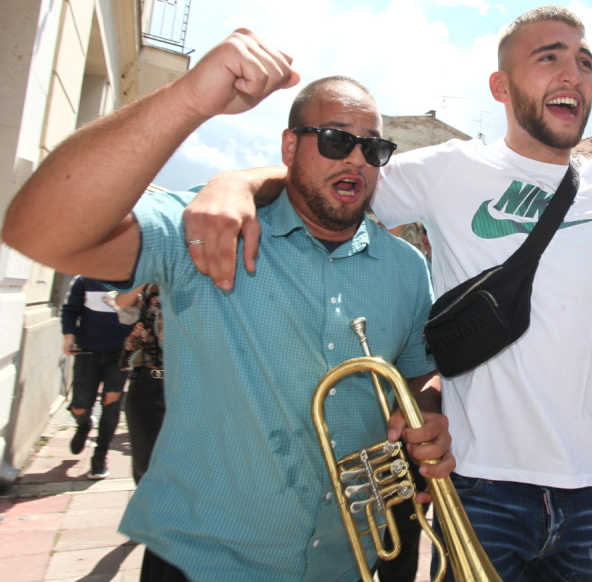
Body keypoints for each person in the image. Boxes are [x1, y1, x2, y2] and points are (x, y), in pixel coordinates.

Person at [180, 6, 592, 581]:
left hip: (590, 501)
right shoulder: (451, 170)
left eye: (586, 61)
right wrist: (235, 183)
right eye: (550, 58)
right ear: (501, 87)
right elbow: (332, 179)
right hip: (478, 491)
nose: (574, 73)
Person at [1, 29, 454, 582]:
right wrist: (189, 98)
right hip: (202, 564)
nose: (357, 160)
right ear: (290, 148)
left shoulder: (406, 268)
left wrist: (426, 413)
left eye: (374, 148)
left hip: (344, 563)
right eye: (336, 140)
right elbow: (38, 230)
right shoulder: (209, 227)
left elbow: (417, 376)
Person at [60, 275, 133, 479]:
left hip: (120, 353)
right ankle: (84, 424)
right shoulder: (84, 279)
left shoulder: (133, 278)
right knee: (80, 406)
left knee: (111, 403)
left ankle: (99, 458)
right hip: (88, 351)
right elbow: (70, 310)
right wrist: (69, 337)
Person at [110, 283, 165, 484]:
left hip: (196, 383)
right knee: (145, 466)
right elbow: (123, 304)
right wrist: (146, 273)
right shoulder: (149, 284)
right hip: (148, 381)